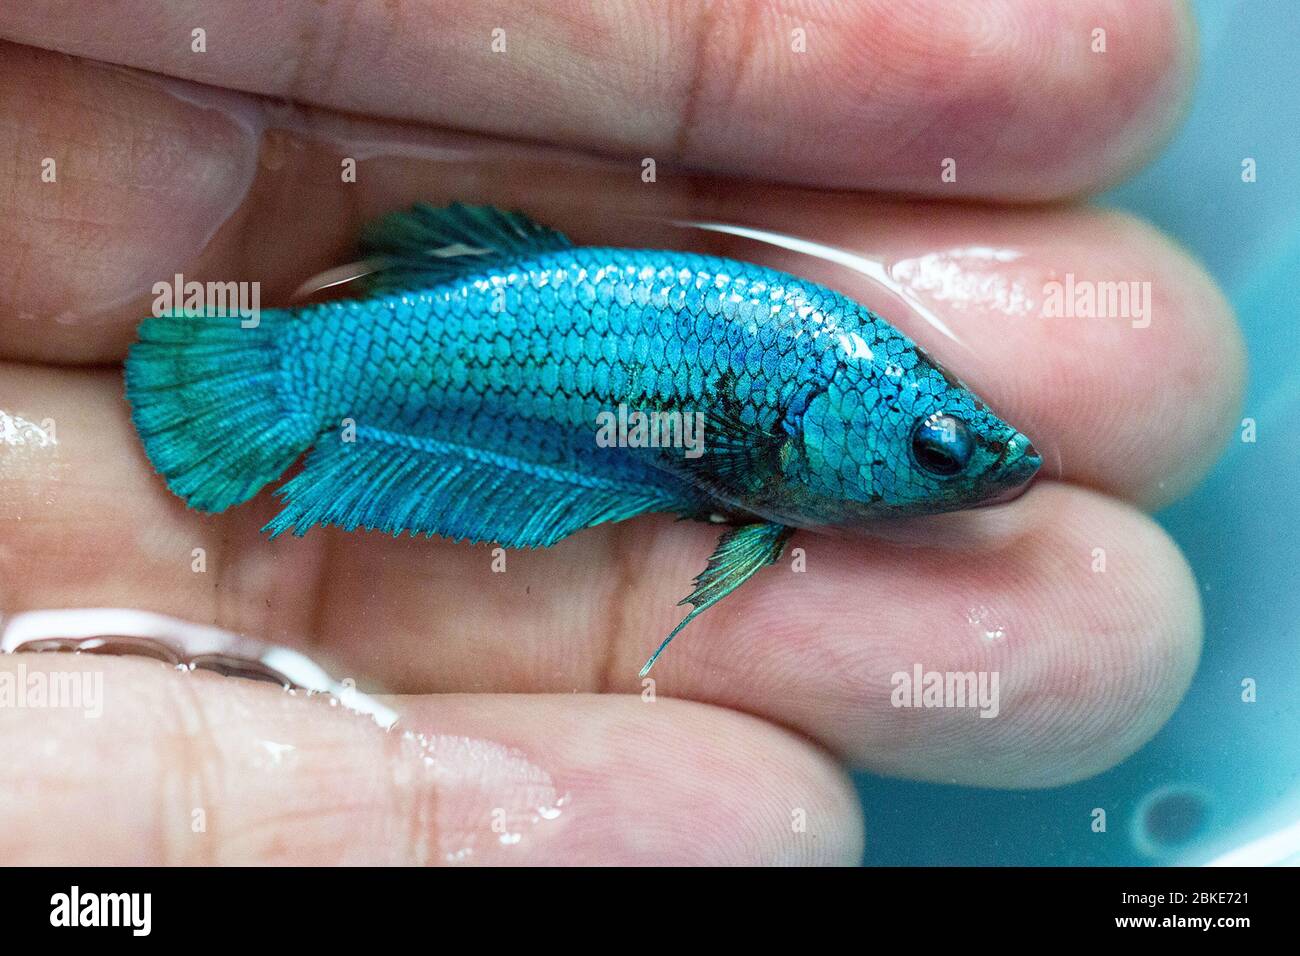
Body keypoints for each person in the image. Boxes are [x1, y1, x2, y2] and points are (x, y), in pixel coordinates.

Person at [0, 0, 1242, 864]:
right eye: (934, 448)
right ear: (826, 430)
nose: (975, 470)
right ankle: (295, 378)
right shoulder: (794, 389)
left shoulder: (810, 386)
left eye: (952, 454)